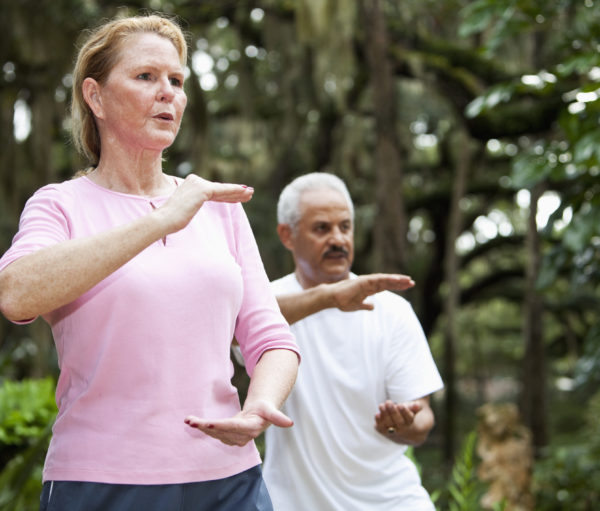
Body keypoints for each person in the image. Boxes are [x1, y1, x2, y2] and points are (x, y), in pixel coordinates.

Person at [0, 13, 299, 511]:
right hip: (99, 483)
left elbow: (271, 338)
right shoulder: (60, 205)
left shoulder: (217, 206)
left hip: (229, 480)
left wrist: (261, 405)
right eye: (146, 77)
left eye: (177, 81)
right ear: (94, 97)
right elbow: (15, 294)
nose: (168, 93)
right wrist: (162, 218)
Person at [262, 172, 444, 510]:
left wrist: (399, 426)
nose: (337, 239)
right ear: (287, 235)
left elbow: (422, 422)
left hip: (394, 501)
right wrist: (328, 298)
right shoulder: (266, 302)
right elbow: (230, 327)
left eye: (345, 227)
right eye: (322, 228)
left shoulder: (391, 310)